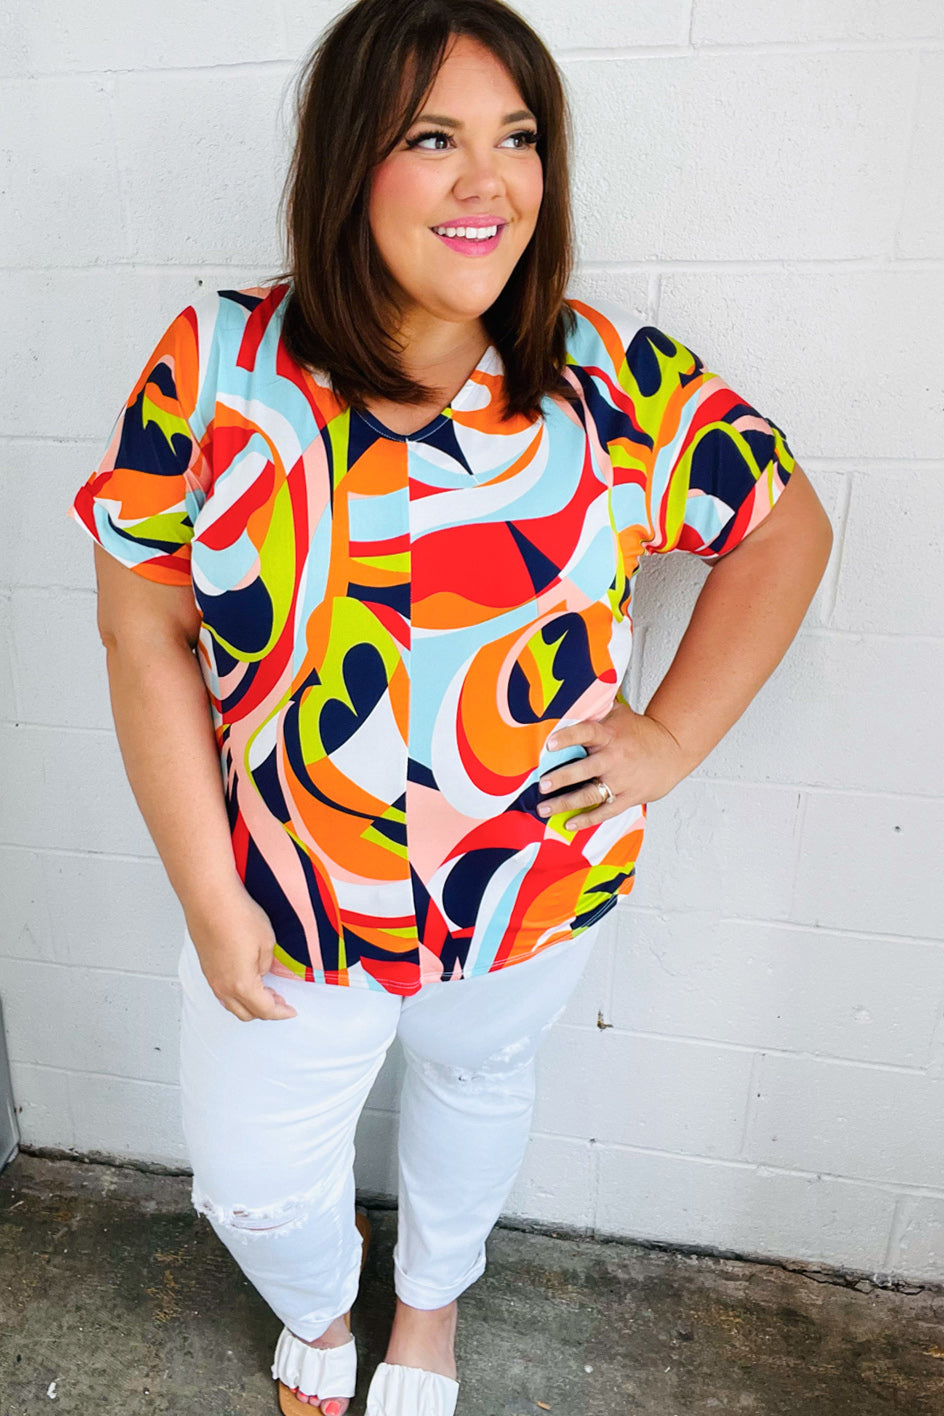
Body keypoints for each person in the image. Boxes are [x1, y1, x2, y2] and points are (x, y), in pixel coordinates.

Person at [69, 0, 833, 1412]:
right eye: (434, 138)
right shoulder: (218, 368)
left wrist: (668, 740)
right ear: (349, 159)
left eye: (518, 138)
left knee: (477, 1092)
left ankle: (429, 1307)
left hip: (527, 885)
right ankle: (319, 1299)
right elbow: (143, 632)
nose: (490, 183)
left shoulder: (609, 379)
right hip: (284, 896)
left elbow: (784, 528)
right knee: (249, 1183)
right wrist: (208, 896)